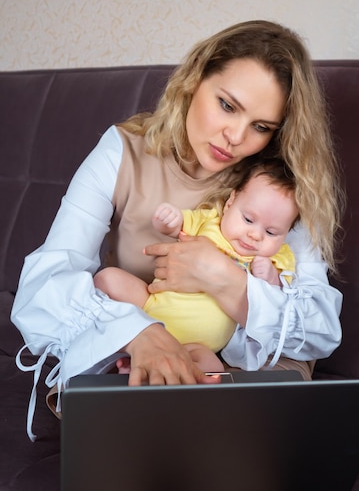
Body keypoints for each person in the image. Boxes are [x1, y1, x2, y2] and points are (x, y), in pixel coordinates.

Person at [11, 20, 344, 442]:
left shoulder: (277, 185)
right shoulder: (124, 149)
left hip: (246, 374)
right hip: (140, 355)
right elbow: (43, 284)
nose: (236, 136)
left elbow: (320, 331)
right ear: (193, 80)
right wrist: (139, 333)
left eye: (261, 126)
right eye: (227, 105)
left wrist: (224, 279)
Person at [94, 159, 299, 373]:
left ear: (285, 235)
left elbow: (282, 298)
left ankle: (144, 367)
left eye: (272, 232)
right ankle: (138, 349)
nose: (255, 235)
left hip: (199, 345)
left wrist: (272, 277)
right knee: (107, 279)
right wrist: (168, 220)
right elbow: (177, 226)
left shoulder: (277, 256)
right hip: (150, 307)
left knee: (211, 369)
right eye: (248, 219)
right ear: (230, 203)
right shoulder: (210, 222)